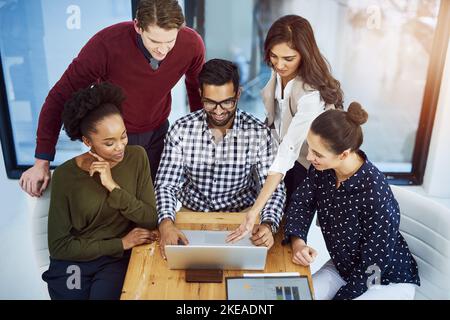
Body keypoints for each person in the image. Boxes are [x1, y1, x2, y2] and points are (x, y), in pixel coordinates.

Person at [19, 0, 205, 197]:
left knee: (153, 204)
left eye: (169, 42)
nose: (162, 50)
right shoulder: (105, 45)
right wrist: (42, 161)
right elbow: (59, 97)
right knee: (114, 208)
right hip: (111, 138)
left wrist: (202, 140)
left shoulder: (191, 45)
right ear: (138, 27)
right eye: (155, 41)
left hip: (158, 133)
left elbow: (197, 91)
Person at [284, 103, 420, 300]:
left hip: (383, 280)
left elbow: (374, 265)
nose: (309, 157)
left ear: (344, 154)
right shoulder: (322, 170)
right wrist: (298, 243)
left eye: (318, 154)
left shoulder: (375, 193)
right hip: (344, 267)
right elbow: (301, 204)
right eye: (310, 148)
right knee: (293, 296)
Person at [227, 15, 343, 243]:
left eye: (288, 58)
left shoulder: (311, 94)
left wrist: (255, 208)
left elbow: (289, 150)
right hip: (280, 156)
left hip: (306, 166)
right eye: (274, 56)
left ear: (304, 54)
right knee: (269, 225)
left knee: (288, 232)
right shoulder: (279, 70)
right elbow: (277, 117)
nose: (279, 65)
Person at [155, 59, 286, 259]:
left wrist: (268, 224)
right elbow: (166, 184)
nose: (218, 111)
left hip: (242, 218)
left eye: (227, 102)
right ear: (200, 95)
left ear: (238, 94)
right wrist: (165, 223)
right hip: (192, 215)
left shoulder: (258, 133)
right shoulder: (181, 129)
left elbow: (273, 187)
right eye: (210, 102)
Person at [42, 82, 158, 300]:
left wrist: (112, 186)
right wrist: (121, 243)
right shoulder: (65, 176)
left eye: (123, 136)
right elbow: (59, 247)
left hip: (113, 261)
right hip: (74, 264)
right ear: (87, 141)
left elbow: (150, 218)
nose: (120, 147)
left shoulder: (137, 157)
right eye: (109, 143)